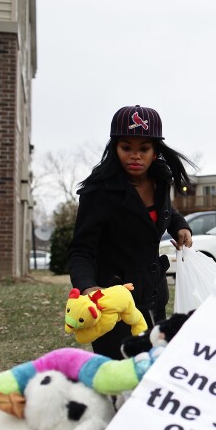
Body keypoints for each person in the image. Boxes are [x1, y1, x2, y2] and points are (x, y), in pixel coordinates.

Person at [68, 105, 195, 359]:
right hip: (114, 302)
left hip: (154, 295)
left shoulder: (161, 181)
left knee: (153, 364)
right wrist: (88, 288)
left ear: (155, 151)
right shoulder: (98, 192)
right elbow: (81, 250)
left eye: (144, 149)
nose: (135, 156)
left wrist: (180, 225)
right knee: (119, 373)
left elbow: (159, 214)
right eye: (127, 148)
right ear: (115, 148)